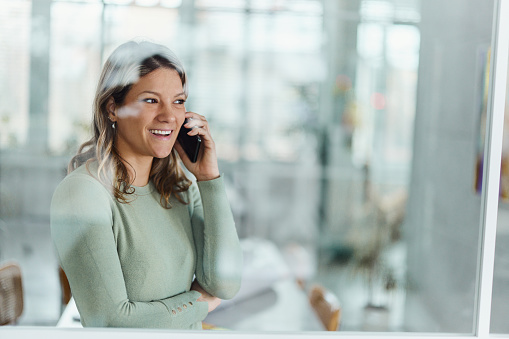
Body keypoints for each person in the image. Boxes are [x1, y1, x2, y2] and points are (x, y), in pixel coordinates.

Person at [50, 40, 242, 329]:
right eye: (151, 100)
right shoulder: (83, 194)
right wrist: (200, 302)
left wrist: (208, 179)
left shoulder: (179, 188)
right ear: (113, 107)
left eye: (178, 101)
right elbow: (111, 322)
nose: (169, 116)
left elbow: (225, 283)